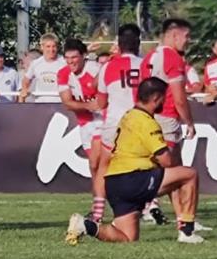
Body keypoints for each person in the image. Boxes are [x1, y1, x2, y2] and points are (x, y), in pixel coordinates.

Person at [65, 77, 203, 245]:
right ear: (156, 98)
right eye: (165, 98)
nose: (167, 102)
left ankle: (86, 226)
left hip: (114, 183)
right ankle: (187, 232)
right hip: (134, 178)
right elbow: (166, 160)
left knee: (127, 238)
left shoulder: (128, 116)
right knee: (189, 175)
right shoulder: (147, 122)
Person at [140, 18, 198, 228]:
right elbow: (179, 96)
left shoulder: (149, 57)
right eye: (186, 36)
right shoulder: (172, 57)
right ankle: (141, 202)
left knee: (176, 169)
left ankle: (184, 217)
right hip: (167, 118)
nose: (188, 41)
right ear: (175, 35)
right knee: (174, 173)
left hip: (152, 118)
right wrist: (189, 122)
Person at [91, 24, 145, 225]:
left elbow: (102, 103)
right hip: (140, 125)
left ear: (119, 46)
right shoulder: (146, 65)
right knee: (148, 166)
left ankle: (97, 213)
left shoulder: (107, 68)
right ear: (138, 44)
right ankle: (151, 206)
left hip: (115, 124)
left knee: (104, 167)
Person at [57, 38, 104, 220]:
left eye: (74, 58)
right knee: (94, 166)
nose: (71, 62)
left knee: (97, 163)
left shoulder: (95, 70)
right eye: (67, 58)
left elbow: (106, 95)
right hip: (85, 123)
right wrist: (88, 106)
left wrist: (99, 104)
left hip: (105, 121)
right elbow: (67, 102)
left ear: (84, 56)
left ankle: (98, 211)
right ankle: (98, 204)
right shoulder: (63, 74)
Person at [20, 34, 64, 103]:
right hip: (41, 103)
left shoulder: (64, 62)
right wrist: (24, 88)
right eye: (48, 46)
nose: (51, 49)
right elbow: (26, 80)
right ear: (42, 47)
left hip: (60, 102)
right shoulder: (35, 63)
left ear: (57, 47)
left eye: (54, 46)